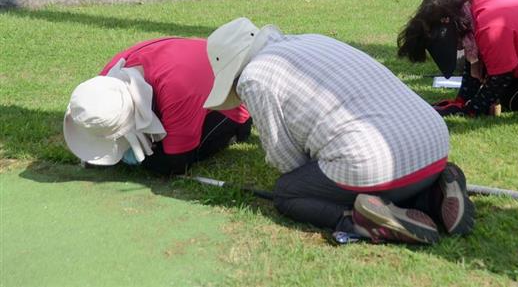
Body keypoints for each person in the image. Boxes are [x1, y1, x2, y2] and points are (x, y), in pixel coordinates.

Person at [203, 18, 475, 245]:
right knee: (386, 173)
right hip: (433, 138)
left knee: (287, 192)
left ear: (234, 74)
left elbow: (284, 157)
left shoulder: (254, 77)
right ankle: (434, 196)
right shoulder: (311, 39)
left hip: (375, 159)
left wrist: (309, 179)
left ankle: (359, 221)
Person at [63, 37, 251, 175]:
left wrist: (135, 158)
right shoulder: (104, 83)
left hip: (228, 99)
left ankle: (240, 128)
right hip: (184, 72)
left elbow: (177, 164)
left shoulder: (176, 90)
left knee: (169, 162)